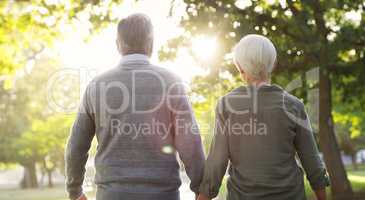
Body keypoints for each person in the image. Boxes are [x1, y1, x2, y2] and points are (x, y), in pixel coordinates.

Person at [65, 13, 205, 200]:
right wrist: (202, 189)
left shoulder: (96, 86)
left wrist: (75, 191)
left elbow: (76, 145)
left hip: (112, 194)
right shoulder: (171, 82)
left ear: (118, 44)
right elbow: (191, 143)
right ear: (151, 43)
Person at [197, 34, 330, 200]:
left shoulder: (227, 106)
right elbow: (312, 161)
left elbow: (216, 164)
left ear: (239, 67)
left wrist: (203, 196)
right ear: (273, 64)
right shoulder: (293, 105)